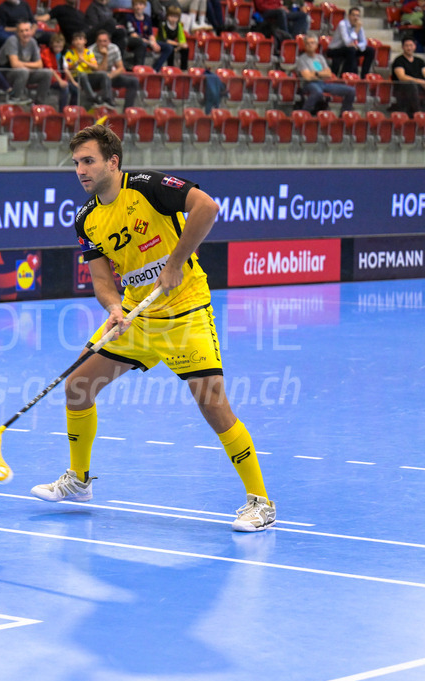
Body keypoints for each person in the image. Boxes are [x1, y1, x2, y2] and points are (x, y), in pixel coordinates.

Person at [31, 125, 276, 533]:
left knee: (213, 406)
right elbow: (102, 279)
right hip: (136, 316)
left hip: (184, 311)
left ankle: (261, 502)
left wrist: (176, 261)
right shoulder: (86, 218)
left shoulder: (147, 187)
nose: (80, 170)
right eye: (76, 163)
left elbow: (207, 207)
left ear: (113, 162)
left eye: (88, 161)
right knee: (78, 386)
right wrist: (113, 308)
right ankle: (79, 481)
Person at [0, 21, 53, 104]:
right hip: (5, 74)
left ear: (31, 31)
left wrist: (24, 65)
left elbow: (40, 64)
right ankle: (15, 97)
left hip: (25, 73)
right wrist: (30, 66)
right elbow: (14, 64)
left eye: (26, 30)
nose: (25, 33)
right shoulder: (12, 40)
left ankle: (39, 103)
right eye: (21, 31)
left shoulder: (32, 42)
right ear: (17, 33)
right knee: (23, 71)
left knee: (47, 73)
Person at [296, 34, 356, 112]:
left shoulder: (320, 58)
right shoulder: (301, 59)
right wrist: (321, 74)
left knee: (351, 91)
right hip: (308, 84)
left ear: (316, 45)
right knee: (318, 92)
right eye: (307, 43)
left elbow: (328, 74)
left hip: (323, 83)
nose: (310, 45)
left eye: (312, 43)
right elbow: (307, 77)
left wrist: (316, 73)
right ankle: (304, 112)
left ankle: (344, 113)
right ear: (305, 45)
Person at [65, 30, 115, 107]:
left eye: (80, 39)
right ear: (73, 42)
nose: (78, 42)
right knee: (82, 74)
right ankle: (92, 96)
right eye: (76, 40)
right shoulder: (69, 53)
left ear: (85, 41)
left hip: (88, 76)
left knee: (103, 74)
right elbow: (67, 68)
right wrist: (76, 63)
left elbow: (95, 66)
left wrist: (84, 61)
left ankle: (107, 97)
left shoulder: (88, 52)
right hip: (76, 77)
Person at [92, 29, 139, 110]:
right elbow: (101, 71)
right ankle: (108, 102)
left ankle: (127, 110)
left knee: (134, 81)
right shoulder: (91, 51)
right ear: (96, 42)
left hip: (110, 76)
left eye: (105, 41)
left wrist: (110, 76)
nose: (102, 43)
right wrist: (105, 56)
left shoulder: (114, 48)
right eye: (100, 41)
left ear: (109, 41)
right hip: (95, 78)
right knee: (103, 76)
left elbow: (120, 68)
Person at [326, 6, 375, 78]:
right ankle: (347, 75)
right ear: (349, 16)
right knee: (351, 50)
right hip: (335, 49)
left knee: (370, 50)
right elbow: (347, 42)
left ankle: (364, 76)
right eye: (353, 15)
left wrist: (358, 46)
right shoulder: (342, 24)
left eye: (357, 16)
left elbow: (364, 42)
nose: (355, 18)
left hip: (349, 49)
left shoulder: (358, 25)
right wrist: (356, 30)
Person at [123, 0, 171, 69]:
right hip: (137, 41)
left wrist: (154, 43)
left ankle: (155, 69)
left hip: (148, 41)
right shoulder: (129, 17)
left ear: (145, 6)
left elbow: (151, 34)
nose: (138, 7)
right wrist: (150, 42)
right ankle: (139, 68)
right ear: (133, 7)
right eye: (136, 5)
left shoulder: (147, 18)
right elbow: (133, 35)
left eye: (140, 4)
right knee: (142, 44)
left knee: (168, 47)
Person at [391, 36, 425, 113]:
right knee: (411, 84)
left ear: (415, 46)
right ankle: (417, 112)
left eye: (411, 45)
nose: (409, 48)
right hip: (403, 87)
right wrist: (419, 81)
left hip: (419, 86)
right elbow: (402, 77)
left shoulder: (420, 61)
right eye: (406, 46)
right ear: (402, 47)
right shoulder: (399, 61)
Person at [41, 31, 74, 109]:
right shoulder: (46, 52)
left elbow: (65, 69)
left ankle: (73, 110)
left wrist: (73, 82)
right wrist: (60, 81)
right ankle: (62, 111)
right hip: (49, 79)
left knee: (75, 89)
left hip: (60, 78)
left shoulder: (63, 54)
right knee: (65, 88)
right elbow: (50, 69)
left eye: (60, 47)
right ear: (52, 44)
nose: (58, 49)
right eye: (56, 47)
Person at [156, 4, 189, 70]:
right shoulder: (163, 24)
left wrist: (182, 45)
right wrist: (178, 44)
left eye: (175, 17)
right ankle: (170, 67)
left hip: (174, 43)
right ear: (167, 16)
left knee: (186, 49)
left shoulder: (178, 25)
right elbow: (164, 39)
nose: (173, 19)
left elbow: (182, 39)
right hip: (161, 43)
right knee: (170, 48)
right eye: (171, 16)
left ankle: (183, 69)